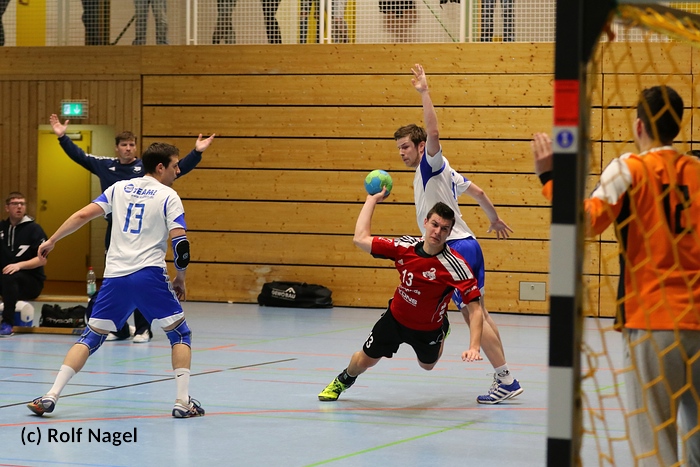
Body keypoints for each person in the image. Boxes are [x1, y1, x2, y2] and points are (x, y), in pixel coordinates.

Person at [531, 85, 700, 466]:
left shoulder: (629, 168)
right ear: (678, 125)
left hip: (653, 320)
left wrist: (549, 178)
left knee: (656, 443)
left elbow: (585, 221)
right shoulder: (697, 170)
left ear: (638, 126)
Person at [27, 142, 204, 418]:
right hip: (149, 275)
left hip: (115, 277)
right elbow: (181, 245)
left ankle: (51, 395)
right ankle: (182, 402)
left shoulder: (118, 188)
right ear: (160, 167)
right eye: (175, 165)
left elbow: (82, 215)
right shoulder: (169, 196)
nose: (178, 170)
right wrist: (180, 278)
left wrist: (52, 240)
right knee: (180, 334)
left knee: (91, 337)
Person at [395, 64, 521, 404]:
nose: (402, 153)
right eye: (399, 148)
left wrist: (424, 92)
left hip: (455, 249)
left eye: (405, 147)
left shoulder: (431, 163)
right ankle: (505, 378)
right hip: (470, 243)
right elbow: (478, 192)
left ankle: (506, 379)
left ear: (420, 146)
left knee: (470, 314)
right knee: (481, 314)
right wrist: (494, 219)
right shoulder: (447, 172)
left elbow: (434, 133)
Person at [49, 114, 215, 343]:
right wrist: (62, 138)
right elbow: (80, 157)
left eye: (132, 144)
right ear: (116, 148)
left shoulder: (146, 169)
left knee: (142, 274)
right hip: (117, 231)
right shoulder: (106, 166)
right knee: (119, 275)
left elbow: (176, 169)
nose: (128, 148)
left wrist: (196, 153)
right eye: (124, 145)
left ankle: (143, 328)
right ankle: (118, 328)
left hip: (146, 231)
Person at [318, 195, 485, 402]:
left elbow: (475, 310)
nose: (437, 232)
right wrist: (371, 200)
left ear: (450, 232)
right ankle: (342, 381)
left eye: (444, 228)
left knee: (427, 365)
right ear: (425, 222)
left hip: (428, 328)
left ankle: (443, 328)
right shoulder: (405, 247)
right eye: (434, 224)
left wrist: (474, 347)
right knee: (365, 360)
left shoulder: (456, 266)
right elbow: (360, 239)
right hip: (395, 319)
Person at [0, 192, 47, 336]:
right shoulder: (2, 228)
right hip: (5, 280)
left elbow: (42, 259)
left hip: (30, 281)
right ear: (7, 208)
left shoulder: (34, 229)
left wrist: (19, 265)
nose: (19, 207)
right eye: (15, 204)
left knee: (10, 277)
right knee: (7, 278)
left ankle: (8, 323)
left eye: (22, 204)